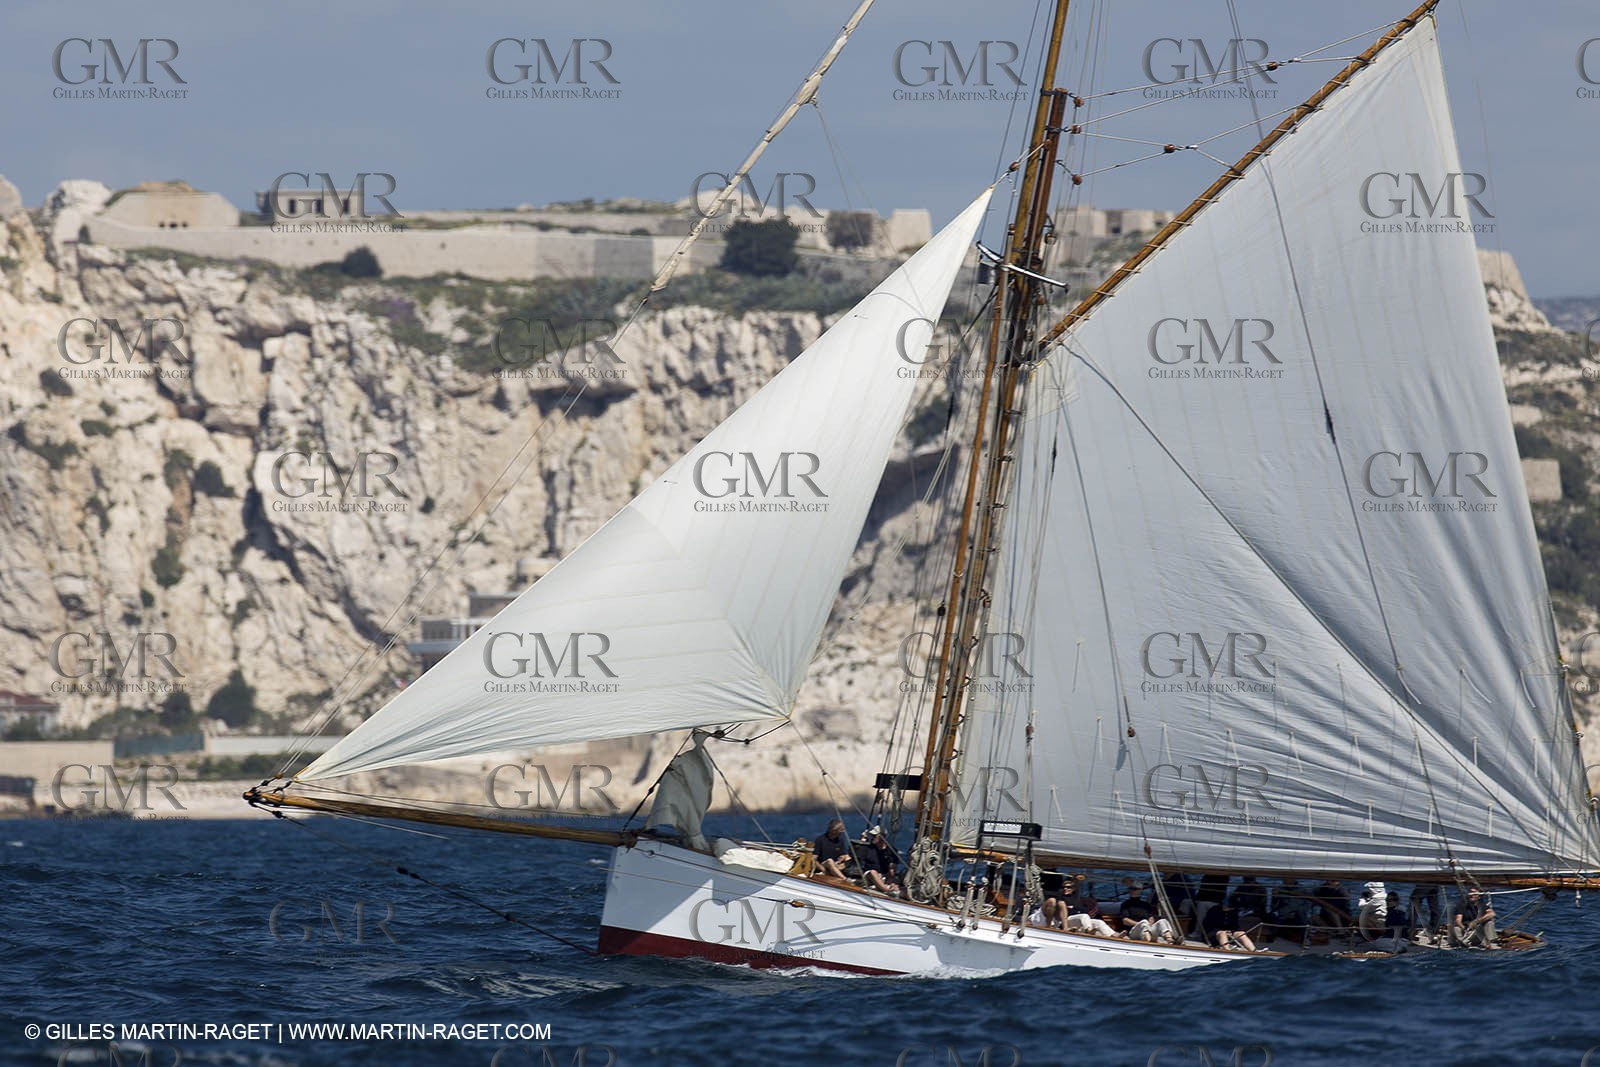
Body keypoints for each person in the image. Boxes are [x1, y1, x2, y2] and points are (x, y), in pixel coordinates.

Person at [855, 825, 901, 895]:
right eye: (872, 836)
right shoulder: (868, 848)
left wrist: (891, 881)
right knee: (873, 872)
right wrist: (862, 842)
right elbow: (857, 856)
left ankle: (891, 888)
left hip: (883, 876)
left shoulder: (891, 851)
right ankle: (886, 890)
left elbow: (892, 870)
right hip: (869, 875)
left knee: (897, 878)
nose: (872, 838)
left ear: (881, 837)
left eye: (874, 836)